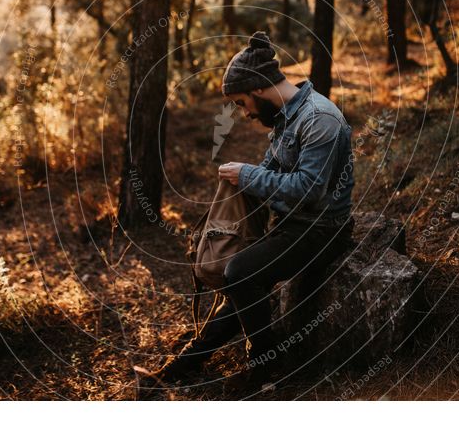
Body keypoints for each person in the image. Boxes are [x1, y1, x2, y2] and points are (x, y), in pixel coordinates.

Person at [142, 31, 355, 391]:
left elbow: (310, 191)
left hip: (322, 229)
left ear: (258, 89)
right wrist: (238, 188)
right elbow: (271, 173)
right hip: (290, 224)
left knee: (239, 272)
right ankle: (183, 366)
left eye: (241, 103)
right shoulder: (287, 118)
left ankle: (265, 364)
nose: (244, 113)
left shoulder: (320, 119)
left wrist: (249, 175)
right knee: (239, 279)